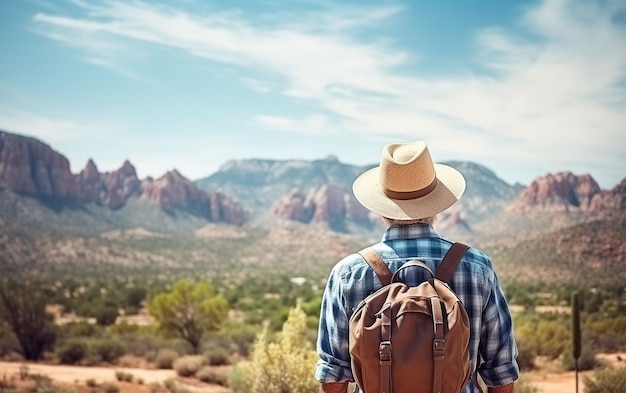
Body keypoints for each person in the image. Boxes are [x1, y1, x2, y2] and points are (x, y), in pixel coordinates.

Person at [315, 141, 519, 393]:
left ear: (382, 208)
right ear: (436, 205)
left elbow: (333, 377)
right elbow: (501, 373)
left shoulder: (348, 273)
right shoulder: (477, 267)